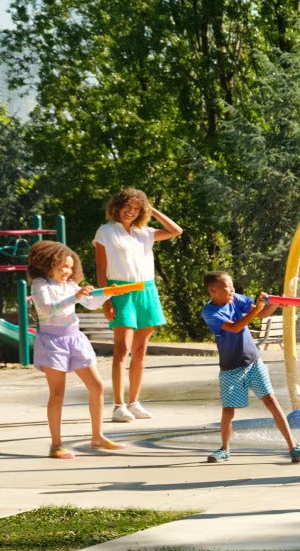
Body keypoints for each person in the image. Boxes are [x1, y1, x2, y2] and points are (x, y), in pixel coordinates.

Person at [200, 271, 300, 465]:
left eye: (232, 286)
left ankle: (294, 447)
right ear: (213, 290)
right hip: (231, 368)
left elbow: (262, 314)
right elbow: (235, 327)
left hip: (253, 361)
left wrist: (275, 302)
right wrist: (257, 309)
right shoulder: (210, 313)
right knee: (228, 410)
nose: (233, 290)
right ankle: (224, 449)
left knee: (271, 401)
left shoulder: (235, 298)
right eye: (228, 287)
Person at [26, 240, 123, 459]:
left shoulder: (70, 285)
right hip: (52, 341)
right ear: (47, 264)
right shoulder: (40, 284)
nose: (67, 272)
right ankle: (56, 445)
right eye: (62, 267)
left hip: (74, 338)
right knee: (57, 394)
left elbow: (90, 303)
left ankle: (97, 437)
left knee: (96, 386)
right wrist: (76, 297)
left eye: (70, 267)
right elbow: (49, 310)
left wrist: (108, 293)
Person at [94, 187, 183, 422]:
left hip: (147, 291)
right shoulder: (106, 231)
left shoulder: (145, 232)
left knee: (141, 351)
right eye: (127, 207)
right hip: (120, 291)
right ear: (117, 206)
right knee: (122, 349)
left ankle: (134, 402)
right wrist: (106, 299)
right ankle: (118, 406)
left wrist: (151, 210)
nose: (131, 212)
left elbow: (176, 231)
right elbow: (101, 268)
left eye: (136, 209)